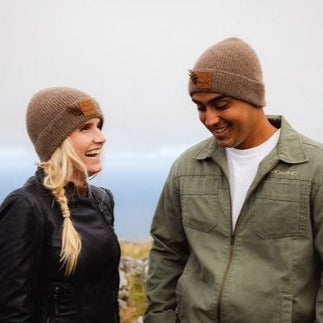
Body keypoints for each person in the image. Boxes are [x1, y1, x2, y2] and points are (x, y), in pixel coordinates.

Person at [144, 38, 323, 322]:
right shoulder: (187, 167)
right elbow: (167, 251)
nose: (210, 118)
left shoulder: (315, 167)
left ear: (254, 98)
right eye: (200, 107)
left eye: (221, 104)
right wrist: (161, 317)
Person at [0, 87, 120, 322]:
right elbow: (11, 311)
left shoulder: (102, 200)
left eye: (98, 126)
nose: (101, 137)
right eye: (85, 128)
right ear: (56, 140)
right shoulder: (25, 207)